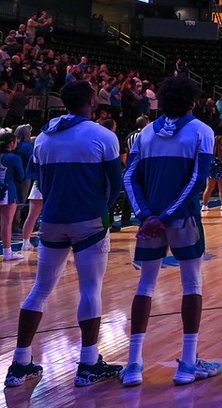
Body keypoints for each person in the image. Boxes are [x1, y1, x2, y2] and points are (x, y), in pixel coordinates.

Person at [4, 81, 124, 388]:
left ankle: (19, 363)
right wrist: (103, 211)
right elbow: (115, 183)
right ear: (92, 101)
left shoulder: (45, 137)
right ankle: (88, 363)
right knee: (90, 290)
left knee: (40, 290)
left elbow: (39, 180)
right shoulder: (103, 135)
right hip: (89, 220)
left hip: (52, 220)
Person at [121, 76, 220, 386]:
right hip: (183, 218)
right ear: (193, 101)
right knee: (192, 284)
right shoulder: (202, 131)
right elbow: (197, 180)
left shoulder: (146, 133)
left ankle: (133, 364)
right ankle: (188, 363)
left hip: (150, 220)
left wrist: (145, 215)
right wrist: (166, 215)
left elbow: (129, 177)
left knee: (145, 285)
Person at [0, 130, 26, 261]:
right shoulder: (14, 158)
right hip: (7, 192)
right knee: (6, 223)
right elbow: (21, 176)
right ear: (11, 143)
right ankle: (7, 252)